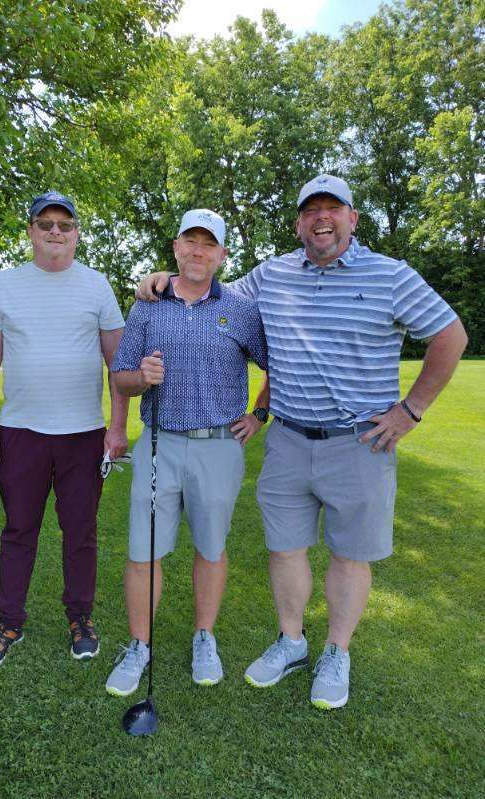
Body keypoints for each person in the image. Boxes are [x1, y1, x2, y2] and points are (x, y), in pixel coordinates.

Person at [135, 175, 468, 709]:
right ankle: (291, 642)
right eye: (310, 209)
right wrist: (158, 278)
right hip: (289, 440)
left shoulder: (390, 276)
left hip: (360, 442)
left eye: (332, 208)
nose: (321, 218)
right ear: (298, 223)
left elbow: (451, 335)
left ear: (352, 218)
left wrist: (412, 410)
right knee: (285, 548)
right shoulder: (272, 276)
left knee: (349, 554)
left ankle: (337, 650)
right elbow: (206, 289)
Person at [105, 209, 269, 696]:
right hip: (160, 445)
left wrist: (259, 415)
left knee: (212, 548)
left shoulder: (239, 307)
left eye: (208, 244)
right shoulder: (147, 306)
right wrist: (141, 378)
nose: (198, 251)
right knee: (142, 551)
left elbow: (276, 363)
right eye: (190, 242)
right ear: (176, 247)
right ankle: (139, 646)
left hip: (219, 446)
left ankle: (204, 638)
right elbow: (120, 377)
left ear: (222, 254)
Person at [0, 190, 129, 669]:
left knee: (79, 532)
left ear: (77, 232)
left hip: (84, 433)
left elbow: (117, 363)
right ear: (31, 232)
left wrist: (117, 428)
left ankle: (80, 618)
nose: (55, 232)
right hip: (20, 432)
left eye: (65, 224)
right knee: (20, 530)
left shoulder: (97, 285)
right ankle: (9, 623)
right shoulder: (4, 285)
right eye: (46, 224)